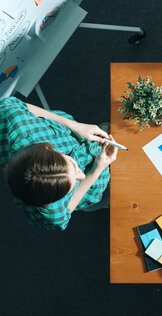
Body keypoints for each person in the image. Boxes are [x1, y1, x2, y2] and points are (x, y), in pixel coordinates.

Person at [0, 97, 118, 230]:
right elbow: (66, 211)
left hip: (81, 138)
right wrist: (97, 169)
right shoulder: (50, 214)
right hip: (99, 187)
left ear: (47, 148)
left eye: (72, 164)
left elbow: (23, 106)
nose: (82, 176)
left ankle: (99, 137)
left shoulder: (13, 119)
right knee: (115, 195)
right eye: (70, 189)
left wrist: (75, 126)